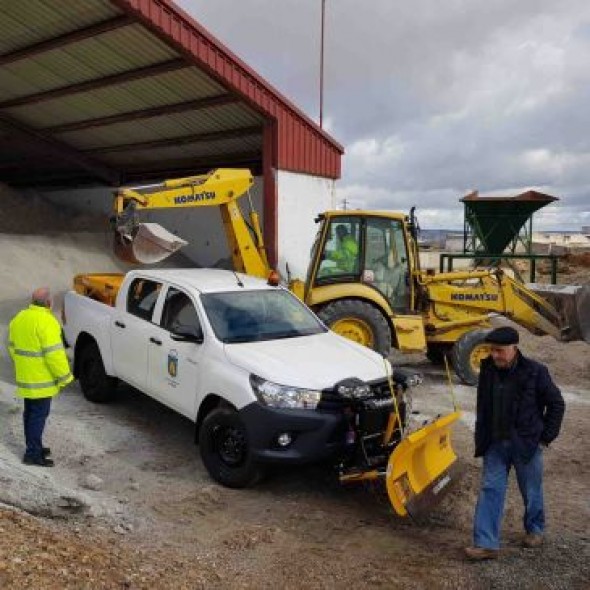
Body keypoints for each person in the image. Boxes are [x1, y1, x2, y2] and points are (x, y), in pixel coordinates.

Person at [464, 326, 565, 560]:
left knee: (531, 491)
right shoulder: (488, 369)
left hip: (526, 444)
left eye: (499, 350)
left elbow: (557, 403)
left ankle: (535, 529)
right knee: (490, 489)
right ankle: (486, 543)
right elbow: (483, 405)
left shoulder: (535, 372)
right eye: (491, 350)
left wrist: (545, 437)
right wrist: (482, 436)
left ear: (514, 348)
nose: (495, 355)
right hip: (495, 444)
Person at [8, 287, 73, 467]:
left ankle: (34, 446)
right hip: (41, 381)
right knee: (38, 416)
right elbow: (54, 355)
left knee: (29, 414)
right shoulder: (48, 321)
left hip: (25, 377)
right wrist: (65, 377)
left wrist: (23, 365)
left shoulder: (19, 318)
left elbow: (12, 347)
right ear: (49, 303)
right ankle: (32, 454)